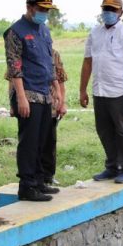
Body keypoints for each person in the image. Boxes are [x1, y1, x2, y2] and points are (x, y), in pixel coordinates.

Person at [4, 0, 62, 202]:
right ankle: (27, 186)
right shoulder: (16, 32)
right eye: (41, 9)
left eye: (48, 10)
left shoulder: (44, 30)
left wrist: (55, 88)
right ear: (29, 7)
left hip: (44, 93)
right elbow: (14, 66)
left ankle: (39, 181)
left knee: (42, 140)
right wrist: (20, 97)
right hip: (27, 94)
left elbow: (49, 62)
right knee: (29, 142)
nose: (44, 13)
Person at [79, 0, 123, 184]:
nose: (108, 13)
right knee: (104, 130)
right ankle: (112, 167)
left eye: (113, 10)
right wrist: (83, 90)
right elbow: (88, 62)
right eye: (106, 9)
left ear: (121, 12)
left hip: (120, 91)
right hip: (100, 91)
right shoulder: (94, 33)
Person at [42, 49, 68, 187]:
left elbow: (61, 80)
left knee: (50, 141)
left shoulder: (53, 53)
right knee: (33, 142)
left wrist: (62, 103)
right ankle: (34, 177)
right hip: (30, 105)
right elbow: (13, 78)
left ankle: (48, 176)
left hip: (51, 103)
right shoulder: (22, 50)